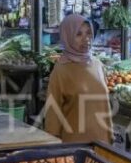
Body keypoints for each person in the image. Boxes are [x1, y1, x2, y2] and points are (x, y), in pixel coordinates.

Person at [44, 14, 113, 144]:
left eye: (88, 33)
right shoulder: (61, 71)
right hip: (75, 146)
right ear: (67, 36)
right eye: (78, 34)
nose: (86, 39)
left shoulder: (98, 65)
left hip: (102, 144)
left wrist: (110, 135)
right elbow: (52, 115)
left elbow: (105, 105)